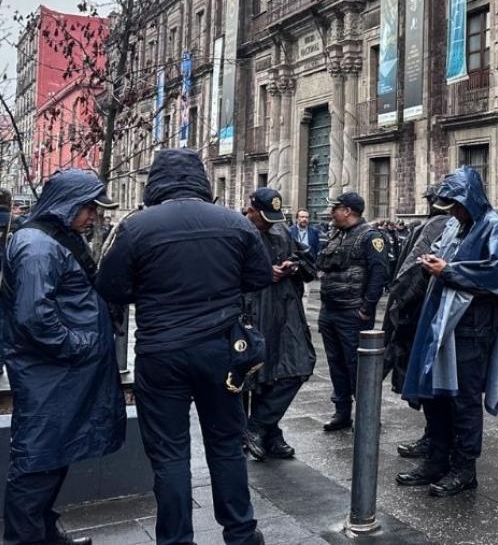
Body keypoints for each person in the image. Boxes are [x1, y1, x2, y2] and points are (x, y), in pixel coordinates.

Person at [95, 149, 271, 545]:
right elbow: (259, 277)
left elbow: (110, 286)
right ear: (201, 180)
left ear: (156, 181)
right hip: (221, 352)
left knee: (170, 454)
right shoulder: (235, 223)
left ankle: (175, 539)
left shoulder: (135, 227)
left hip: (161, 353)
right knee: (226, 445)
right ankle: (241, 533)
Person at [1, 170, 124, 545]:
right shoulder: (38, 247)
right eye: (90, 209)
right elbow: (34, 317)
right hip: (49, 374)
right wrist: (80, 346)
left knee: (52, 457)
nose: (94, 217)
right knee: (38, 461)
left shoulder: (53, 238)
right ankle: (25, 539)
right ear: (68, 204)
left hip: (58, 375)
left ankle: (42, 533)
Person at [397, 167, 498, 497]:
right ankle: (436, 460)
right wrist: (433, 260)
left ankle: (465, 468)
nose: (452, 211)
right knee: (435, 394)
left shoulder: (495, 225)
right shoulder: (456, 223)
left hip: (471, 329)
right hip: (440, 322)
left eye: (456, 203)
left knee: (464, 400)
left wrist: (448, 270)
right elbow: (444, 251)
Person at [241, 188, 318, 462]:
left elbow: (309, 263)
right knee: (254, 375)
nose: (269, 223)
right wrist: (263, 273)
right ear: (251, 210)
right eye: (264, 217)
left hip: (285, 310)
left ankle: (259, 426)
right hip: (251, 311)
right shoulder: (237, 230)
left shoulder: (282, 231)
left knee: (298, 365)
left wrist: (294, 265)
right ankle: (263, 433)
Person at [386, 186, 452, 460]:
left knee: (438, 386)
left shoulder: (443, 225)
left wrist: (401, 304)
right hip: (422, 315)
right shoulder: (430, 225)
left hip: (431, 317)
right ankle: (433, 438)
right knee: (431, 385)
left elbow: (412, 276)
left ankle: (441, 443)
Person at [315, 192, 388, 431]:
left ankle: (368, 416)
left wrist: (366, 309)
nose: (331, 212)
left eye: (335, 208)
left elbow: (379, 274)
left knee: (357, 366)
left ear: (347, 210)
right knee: (336, 364)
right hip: (330, 311)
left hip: (352, 314)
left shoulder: (371, 236)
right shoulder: (336, 233)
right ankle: (342, 412)